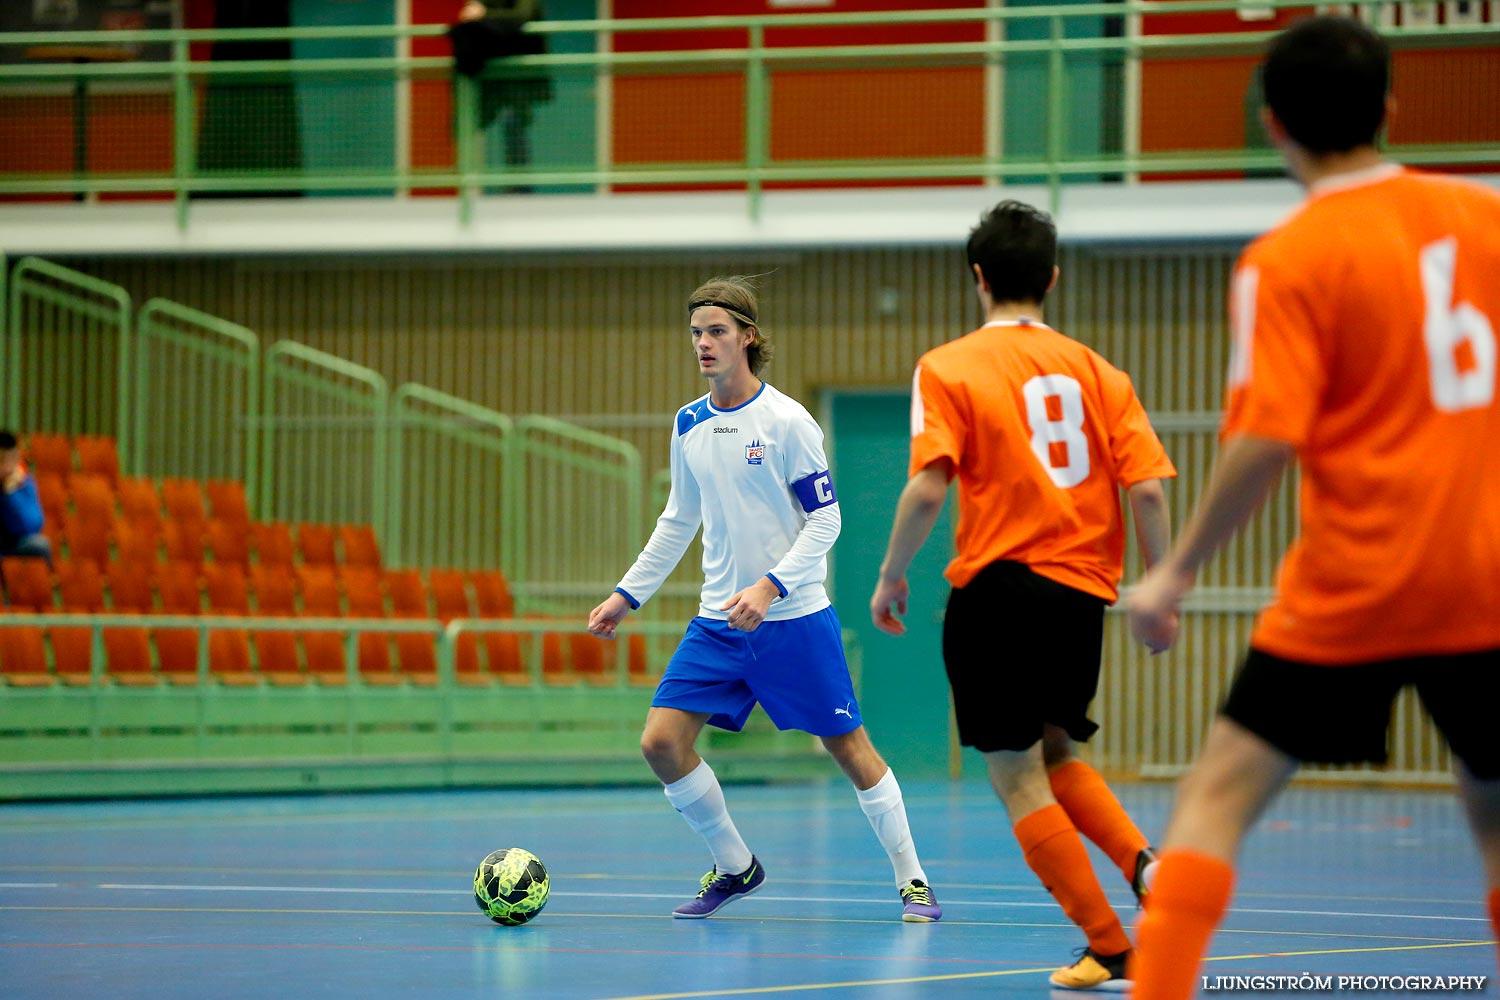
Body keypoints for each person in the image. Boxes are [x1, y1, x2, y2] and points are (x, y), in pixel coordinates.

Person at [1125, 16, 1500, 1000]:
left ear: (1274, 124)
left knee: (1212, 799)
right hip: (1487, 577)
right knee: (1494, 812)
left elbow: (1265, 437)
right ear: (1388, 108)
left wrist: (1178, 564)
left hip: (1356, 583)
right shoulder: (1487, 219)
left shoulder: (1287, 259)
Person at [868, 200, 1175, 990]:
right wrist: (1161, 584)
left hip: (1000, 590)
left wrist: (892, 572)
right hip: (1081, 595)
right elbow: (1146, 491)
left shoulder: (949, 366)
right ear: (1052, 278)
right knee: (1057, 749)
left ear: (978, 277)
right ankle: (1147, 867)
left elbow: (930, 487)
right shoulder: (1101, 373)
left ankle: (1109, 945)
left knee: (1016, 775)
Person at [587, 275, 942, 923]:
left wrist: (772, 584)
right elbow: (677, 520)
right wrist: (626, 594)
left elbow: (826, 523)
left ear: (749, 337)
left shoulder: (787, 423)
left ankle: (913, 879)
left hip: (793, 619)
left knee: (850, 748)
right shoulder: (689, 424)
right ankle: (735, 866)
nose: (703, 343)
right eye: (696, 332)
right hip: (718, 624)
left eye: (717, 331)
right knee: (661, 744)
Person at [450, 0, 550, 183]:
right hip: (488, 77)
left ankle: (518, 185)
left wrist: (483, 13)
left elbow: (523, 15)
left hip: (519, 76)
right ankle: (469, 181)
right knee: (471, 121)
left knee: (514, 123)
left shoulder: (523, 4)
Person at [0, 430, 52, 566]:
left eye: (11, 459)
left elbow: (32, 525)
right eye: (2, 460)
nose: (7, 467)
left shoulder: (23, 484)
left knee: (40, 545)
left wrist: (9, 493)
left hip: (11, 542)